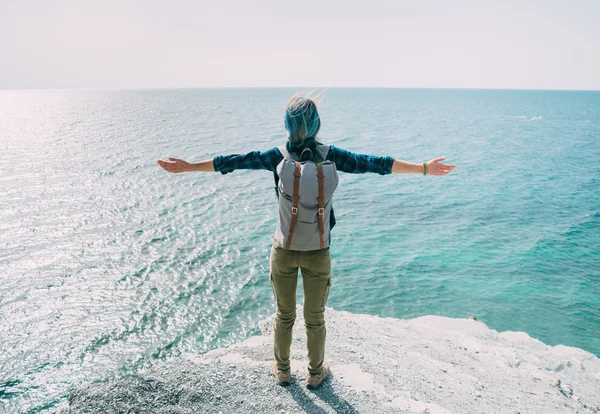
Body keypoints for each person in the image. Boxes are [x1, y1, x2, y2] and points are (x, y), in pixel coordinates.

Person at [157, 93, 456, 389]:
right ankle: (315, 372)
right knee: (315, 318)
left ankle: (283, 370)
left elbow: (233, 162)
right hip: (318, 252)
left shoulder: (275, 156)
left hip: (283, 251)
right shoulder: (332, 155)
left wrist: (190, 166)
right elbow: (376, 163)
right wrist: (424, 168)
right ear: (316, 126)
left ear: (288, 126)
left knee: (284, 315)